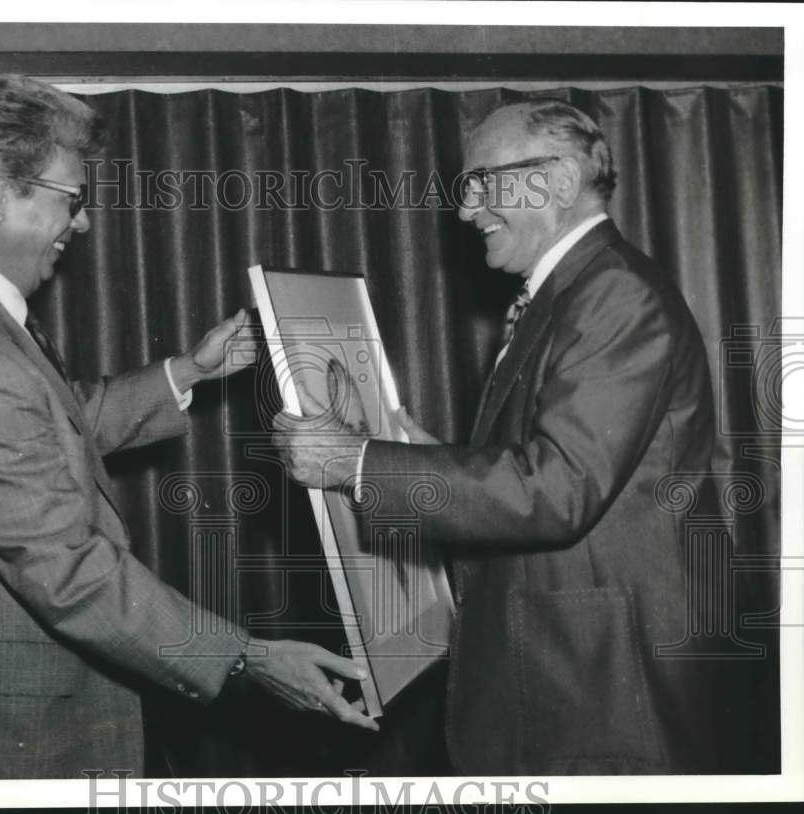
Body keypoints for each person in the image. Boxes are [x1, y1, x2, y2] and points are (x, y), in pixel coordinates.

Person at [0, 74, 376, 781]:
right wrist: (247, 656)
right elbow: (69, 572)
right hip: (3, 733)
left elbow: (50, 423)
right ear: (1, 195)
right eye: (73, 199)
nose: (84, 223)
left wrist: (187, 370)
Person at [274, 99, 722, 774]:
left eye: (484, 182)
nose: (466, 209)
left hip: (600, 689)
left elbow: (557, 488)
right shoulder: (572, 294)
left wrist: (357, 462)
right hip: (570, 672)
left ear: (561, 184)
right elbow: (539, 464)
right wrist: (415, 454)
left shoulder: (614, 296)